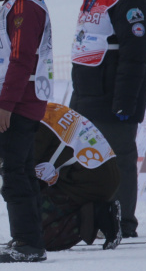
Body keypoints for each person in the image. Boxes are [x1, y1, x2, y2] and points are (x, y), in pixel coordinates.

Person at [69, 0, 146, 239]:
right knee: (88, 161)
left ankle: (123, 223)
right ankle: (95, 222)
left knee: (120, 160)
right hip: (87, 94)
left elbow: (135, 54)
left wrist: (125, 101)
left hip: (113, 95)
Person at [0, 0, 53, 264]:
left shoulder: (24, 5)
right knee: (21, 170)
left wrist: (5, 105)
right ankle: (30, 238)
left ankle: (27, 242)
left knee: (9, 172)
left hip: (20, 102)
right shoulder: (14, 3)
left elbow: (21, 59)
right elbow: (0, 62)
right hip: (15, 100)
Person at [33, 103, 122, 251]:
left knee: (37, 236)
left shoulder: (36, 126)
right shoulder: (47, 110)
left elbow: (25, 171)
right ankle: (97, 212)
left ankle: (99, 214)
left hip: (88, 180)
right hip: (100, 172)